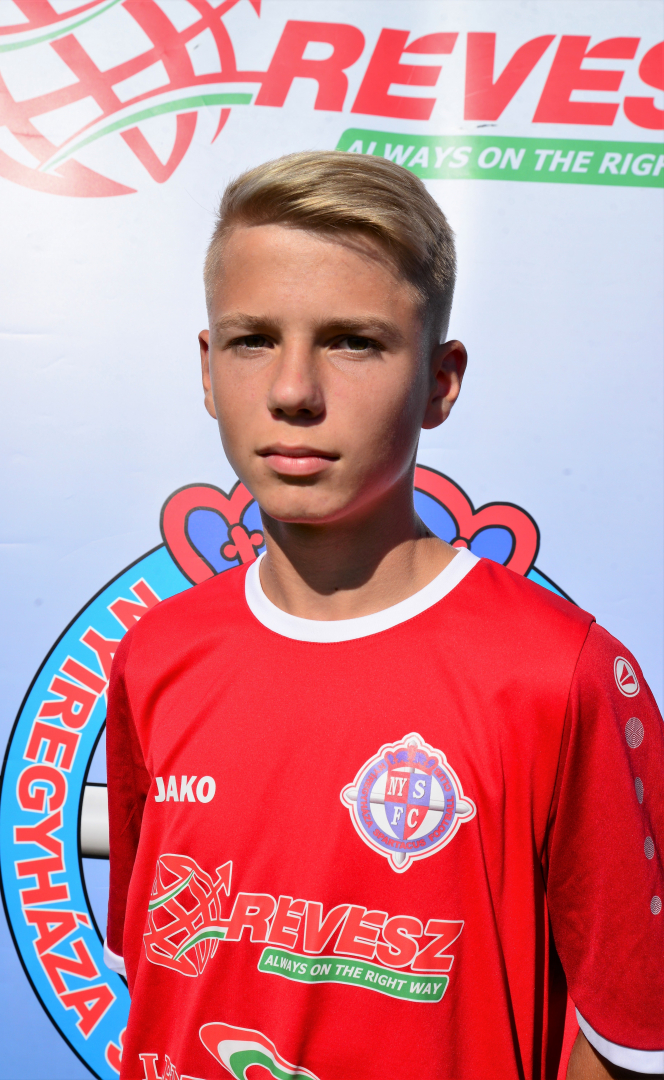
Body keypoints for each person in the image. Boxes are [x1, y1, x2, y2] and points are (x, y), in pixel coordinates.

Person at [104, 151, 663, 1080]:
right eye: (253, 340)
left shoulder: (558, 674)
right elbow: (160, 970)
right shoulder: (158, 652)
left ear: (440, 381)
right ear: (207, 370)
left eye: (353, 342)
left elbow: (626, 1040)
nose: (292, 391)